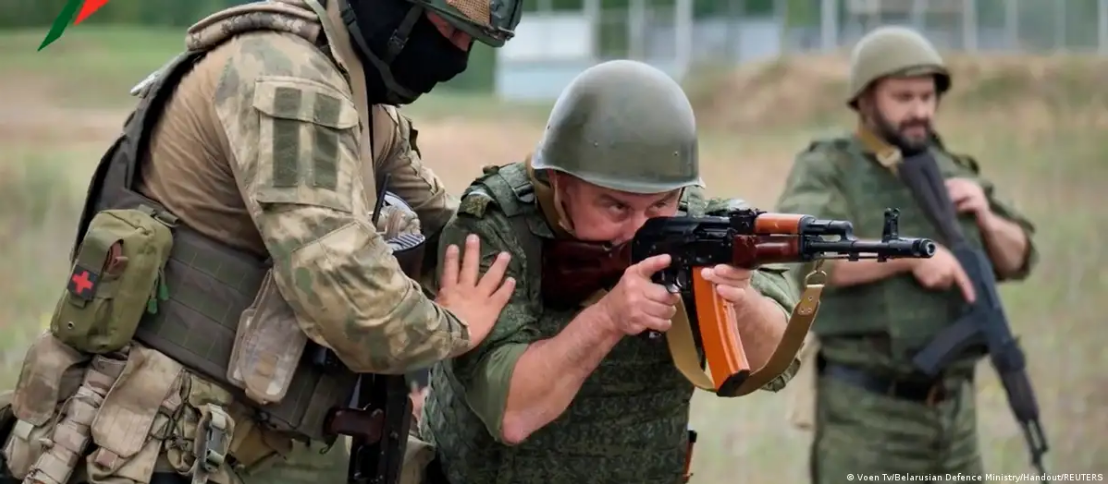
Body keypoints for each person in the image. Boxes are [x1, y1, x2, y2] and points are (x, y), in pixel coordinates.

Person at [0, 0, 524, 483]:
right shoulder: (289, 79)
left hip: (224, 443)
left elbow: (455, 226)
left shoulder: (360, 99)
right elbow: (357, 310)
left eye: (471, 41)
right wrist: (455, 327)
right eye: (449, 29)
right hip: (150, 445)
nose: (456, 57)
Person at [417, 59, 802, 484]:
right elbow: (512, 414)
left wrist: (739, 302)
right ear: (560, 184)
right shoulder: (494, 230)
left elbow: (778, 368)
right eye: (616, 206)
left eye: (660, 204)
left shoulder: (701, 224)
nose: (640, 229)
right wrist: (608, 319)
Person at [774, 26, 1038, 483]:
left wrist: (988, 220)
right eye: (904, 97)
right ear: (866, 97)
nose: (919, 110)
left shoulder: (950, 168)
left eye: (928, 97)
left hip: (954, 420)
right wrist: (911, 256)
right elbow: (813, 255)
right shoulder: (830, 168)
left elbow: (1021, 258)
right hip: (868, 420)